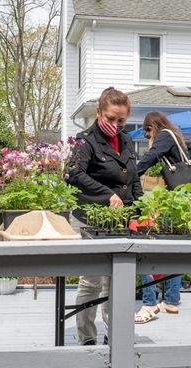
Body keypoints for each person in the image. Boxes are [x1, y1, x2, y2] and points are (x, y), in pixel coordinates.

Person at [65, 87, 143, 345]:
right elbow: (74, 174)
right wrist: (107, 194)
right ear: (99, 112)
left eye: (121, 120)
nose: (116, 125)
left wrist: (140, 209)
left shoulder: (129, 141)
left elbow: (134, 179)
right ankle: (86, 336)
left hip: (121, 219)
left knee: (117, 279)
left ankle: (115, 335)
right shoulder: (84, 140)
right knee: (92, 279)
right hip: (92, 216)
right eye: (111, 118)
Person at [134, 112, 187, 323]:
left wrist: (130, 174)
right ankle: (171, 301)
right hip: (177, 203)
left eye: (147, 130)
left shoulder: (164, 135)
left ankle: (149, 303)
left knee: (146, 251)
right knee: (172, 252)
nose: (147, 134)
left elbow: (150, 157)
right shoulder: (174, 136)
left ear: (153, 125)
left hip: (164, 204)